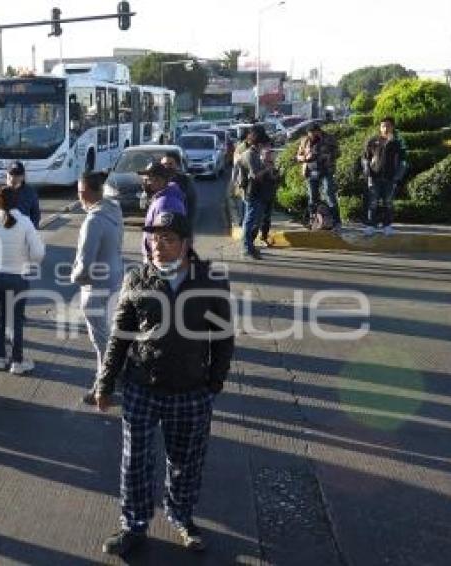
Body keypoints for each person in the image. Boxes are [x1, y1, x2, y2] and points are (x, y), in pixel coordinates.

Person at [94, 211, 234, 557]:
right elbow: (119, 337)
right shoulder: (137, 279)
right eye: (153, 238)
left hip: (190, 390)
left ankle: (182, 517)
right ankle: (134, 525)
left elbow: (224, 336)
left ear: (187, 244)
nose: (158, 245)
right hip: (142, 386)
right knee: (135, 461)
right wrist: (105, 383)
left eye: (167, 238)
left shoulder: (210, 279)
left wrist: (213, 382)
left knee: (186, 461)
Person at [0, 185, 45, 374]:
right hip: (18, 277)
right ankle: (17, 362)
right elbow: (38, 254)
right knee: (16, 321)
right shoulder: (26, 222)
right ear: (16, 202)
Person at [71, 171, 124, 404]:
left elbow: (84, 264)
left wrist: (75, 278)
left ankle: (103, 386)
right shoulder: (114, 210)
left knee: (101, 341)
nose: (79, 197)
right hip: (115, 281)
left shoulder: (93, 221)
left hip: (95, 288)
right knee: (112, 333)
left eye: (81, 193)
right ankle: (117, 374)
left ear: (88, 192)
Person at [362, 117, 407, 236]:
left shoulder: (397, 143)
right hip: (374, 177)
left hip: (390, 178)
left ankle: (387, 226)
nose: (385, 128)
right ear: (380, 127)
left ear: (392, 127)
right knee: (373, 202)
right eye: (383, 126)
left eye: (388, 126)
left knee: (388, 202)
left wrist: (398, 177)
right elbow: (365, 158)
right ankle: (371, 225)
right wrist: (368, 173)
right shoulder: (373, 141)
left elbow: (403, 162)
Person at [237, 128, 274, 259]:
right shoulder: (249, 155)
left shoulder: (255, 154)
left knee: (256, 221)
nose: (266, 146)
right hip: (251, 192)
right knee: (250, 220)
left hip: (258, 192)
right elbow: (255, 175)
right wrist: (267, 168)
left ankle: (250, 246)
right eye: (264, 144)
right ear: (259, 144)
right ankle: (247, 247)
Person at [138, 162, 186, 263]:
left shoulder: (164, 204)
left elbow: (166, 237)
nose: (145, 183)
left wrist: (153, 258)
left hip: (161, 259)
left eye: (147, 180)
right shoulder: (163, 198)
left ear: (159, 180)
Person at [297, 123, 340, 229]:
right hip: (311, 171)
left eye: (312, 133)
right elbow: (298, 155)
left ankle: (336, 220)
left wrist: (323, 155)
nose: (311, 136)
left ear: (318, 131)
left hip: (326, 170)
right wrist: (305, 157)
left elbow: (338, 153)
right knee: (312, 196)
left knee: (329, 193)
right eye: (309, 134)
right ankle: (313, 220)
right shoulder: (305, 140)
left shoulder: (329, 139)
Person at [160, 151, 197, 229]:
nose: (167, 167)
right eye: (164, 164)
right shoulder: (156, 181)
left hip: (179, 224)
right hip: (160, 224)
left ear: (177, 165)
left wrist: (188, 226)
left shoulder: (185, 181)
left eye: (170, 164)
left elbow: (191, 205)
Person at [5, 161, 41, 229]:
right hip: (3, 231)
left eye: (17, 175)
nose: (13, 178)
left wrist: (31, 231)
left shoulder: (30, 193)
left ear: (23, 176)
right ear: (6, 174)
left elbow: (36, 215)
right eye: (11, 174)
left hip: (22, 231)